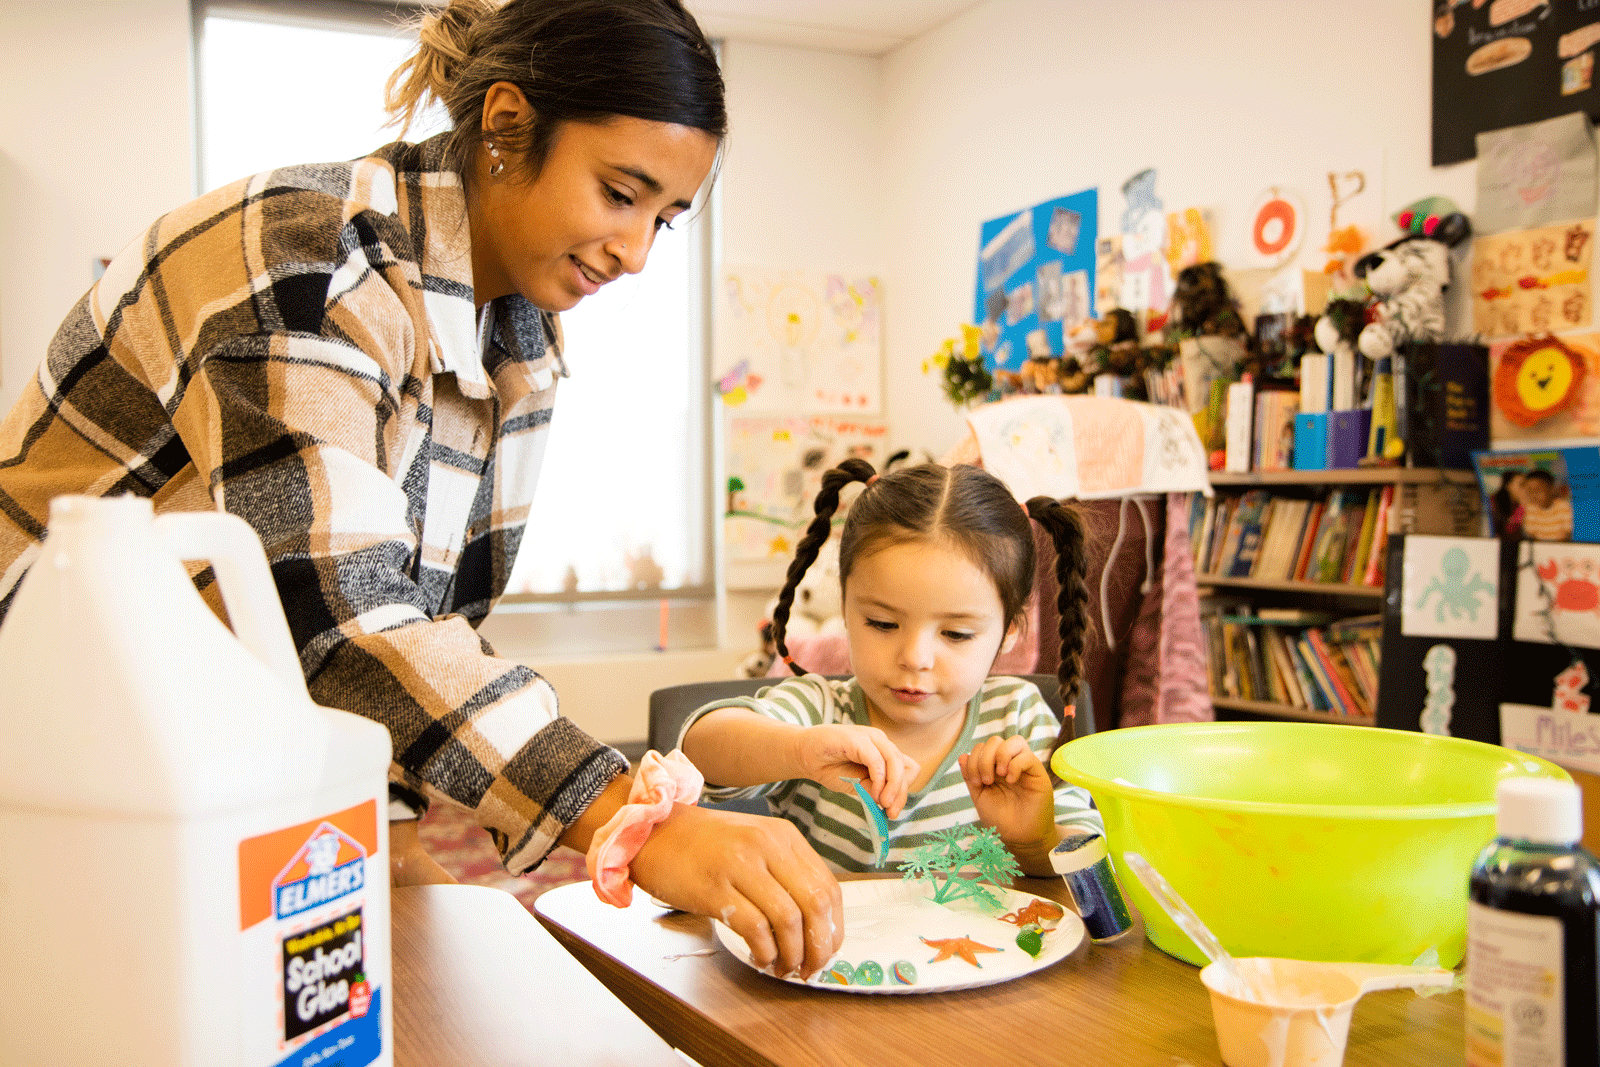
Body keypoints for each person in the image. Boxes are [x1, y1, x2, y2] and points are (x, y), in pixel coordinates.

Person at [0, 0, 841, 978]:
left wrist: (392, 835)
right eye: (620, 193)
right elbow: (339, 611)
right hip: (52, 740)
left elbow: (425, 620)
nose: (637, 251)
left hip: (209, 745)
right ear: (505, 126)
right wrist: (633, 819)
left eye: (664, 217)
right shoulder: (306, 252)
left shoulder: (518, 339)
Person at [678, 459, 1104, 875]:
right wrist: (799, 752)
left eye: (956, 634)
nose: (915, 658)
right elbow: (700, 749)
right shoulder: (820, 714)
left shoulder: (1018, 718)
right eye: (882, 623)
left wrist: (1035, 840)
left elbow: (1086, 862)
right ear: (844, 607)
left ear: (1010, 631)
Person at [1520, 468, 1573, 542]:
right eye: (1530, 491)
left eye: (1538, 490)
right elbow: (1532, 536)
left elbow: (1566, 535)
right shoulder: (1530, 509)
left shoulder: (1563, 507)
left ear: (1551, 489)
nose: (1533, 495)